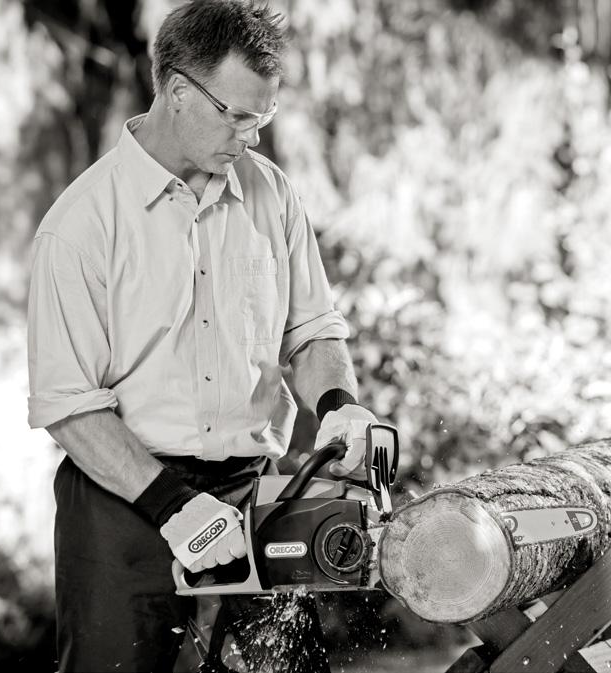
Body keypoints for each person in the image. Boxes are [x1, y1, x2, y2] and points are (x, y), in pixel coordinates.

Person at [27, 1, 379, 671]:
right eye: (238, 116)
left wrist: (339, 404)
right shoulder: (80, 225)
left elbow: (311, 330)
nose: (250, 137)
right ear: (179, 92)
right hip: (123, 506)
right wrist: (172, 507)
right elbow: (68, 405)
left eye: (263, 117)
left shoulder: (271, 194)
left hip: (251, 491)